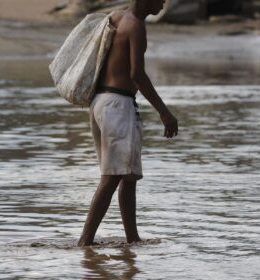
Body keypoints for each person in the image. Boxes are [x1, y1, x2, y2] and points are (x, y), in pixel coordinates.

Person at [77, 0, 178, 247]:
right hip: (117, 106)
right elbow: (137, 74)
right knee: (111, 177)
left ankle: (132, 239)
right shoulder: (136, 26)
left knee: (128, 175)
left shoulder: (115, 16)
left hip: (102, 101)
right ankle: (85, 241)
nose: (164, 1)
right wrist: (164, 112)